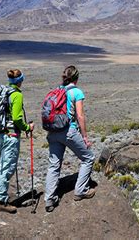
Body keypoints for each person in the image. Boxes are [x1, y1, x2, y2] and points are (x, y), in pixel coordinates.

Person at [45, 65, 95, 212]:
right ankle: (80, 190)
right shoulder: (76, 92)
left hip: (53, 132)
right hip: (68, 131)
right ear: (76, 78)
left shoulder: (57, 90)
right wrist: (85, 137)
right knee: (88, 158)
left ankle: (49, 199)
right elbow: (80, 115)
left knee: (54, 165)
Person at [0, 69, 34, 213]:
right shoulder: (16, 95)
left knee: (3, 164)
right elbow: (17, 118)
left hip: (0, 134)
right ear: (20, 81)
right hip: (10, 135)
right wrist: (27, 127)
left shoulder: (4, 92)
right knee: (8, 167)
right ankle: (0, 201)